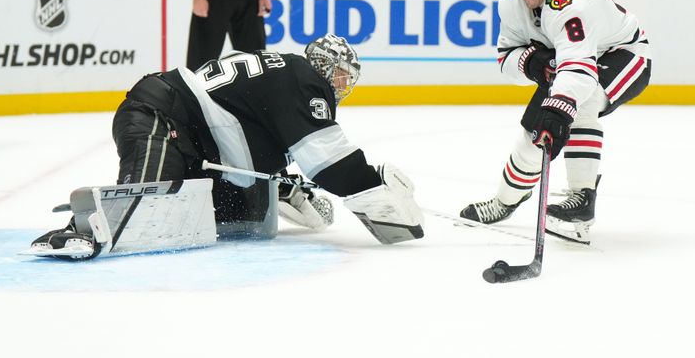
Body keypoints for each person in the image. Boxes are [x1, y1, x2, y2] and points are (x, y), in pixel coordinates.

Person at [30, 35, 425, 259]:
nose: (340, 87)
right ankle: (77, 229)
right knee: (144, 217)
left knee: (243, 219)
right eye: (339, 77)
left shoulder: (285, 77)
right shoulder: (303, 78)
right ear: (323, 66)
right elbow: (329, 162)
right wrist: (372, 185)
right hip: (160, 115)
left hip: (197, 141)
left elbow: (242, 139)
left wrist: (277, 186)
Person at [459, 0, 651, 244]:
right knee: (532, 137)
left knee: (581, 104)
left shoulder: (572, 3)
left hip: (624, 54)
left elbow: (580, 70)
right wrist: (535, 65)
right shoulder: (510, 1)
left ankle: (581, 201)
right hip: (571, 62)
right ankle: (505, 201)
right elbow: (506, 56)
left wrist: (559, 108)